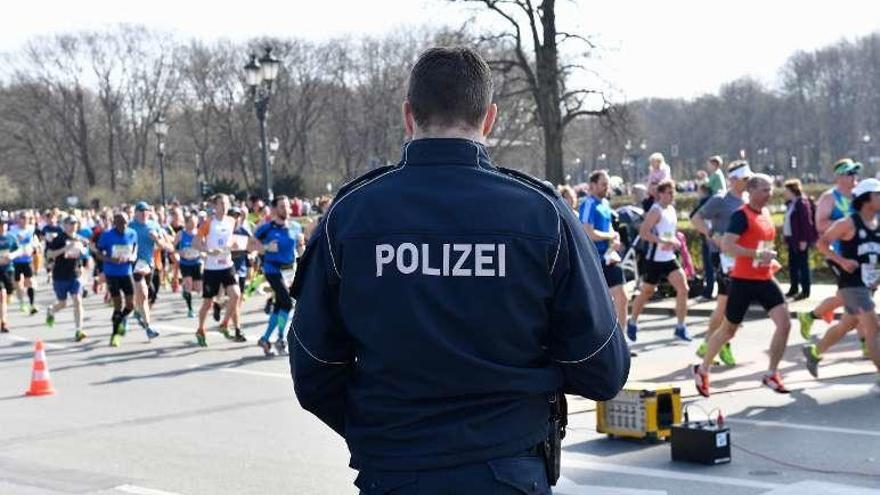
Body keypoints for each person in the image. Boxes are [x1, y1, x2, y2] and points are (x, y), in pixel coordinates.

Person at [290, 46, 629, 492]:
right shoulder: (541, 214)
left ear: (408, 116)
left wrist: (387, 431)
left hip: (395, 468)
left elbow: (315, 365)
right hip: (508, 466)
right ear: (489, 119)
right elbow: (600, 366)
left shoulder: (351, 214)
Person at [693, 174, 791, 397]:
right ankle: (703, 369)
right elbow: (727, 246)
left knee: (784, 324)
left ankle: (771, 373)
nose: (770, 193)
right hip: (743, 281)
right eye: (765, 190)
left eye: (771, 189)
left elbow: (762, 244)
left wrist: (769, 259)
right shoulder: (741, 215)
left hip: (765, 278)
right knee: (728, 330)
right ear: (752, 191)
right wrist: (756, 254)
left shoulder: (765, 214)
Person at [803, 178, 880, 393]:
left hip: (868, 284)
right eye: (878, 194)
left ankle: (814, 352)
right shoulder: (848, 223)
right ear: (866, 199)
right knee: (873, 328)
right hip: (851, 283)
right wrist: (842, 261)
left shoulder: (877, 222)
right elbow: (821, 244)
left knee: (847, 324)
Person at [797, 159, 865, 353]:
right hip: (839, 254)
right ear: (839, 176)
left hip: (860, 254)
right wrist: (847, 224)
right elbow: (820, 225)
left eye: (855, 173)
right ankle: (867, 343)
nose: (854, 177)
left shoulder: (860, 194)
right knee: (857, 297)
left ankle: (810, 316)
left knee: (850, 297)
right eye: (850, 173)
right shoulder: (830, 197)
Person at [690, 160, 751, 365]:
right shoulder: (720, 199)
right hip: (723, 257)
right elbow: (696, 219)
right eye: (744, 179)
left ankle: (711, 343)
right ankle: (717, 343)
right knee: (726, 302)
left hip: (742, 256)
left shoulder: (748, 200)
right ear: (733, 180)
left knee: (731, 303)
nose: (747, 182)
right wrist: (712, 234)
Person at [627, 179, 691, 342]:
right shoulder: (655, 210)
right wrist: (663, 241)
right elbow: (643, 233)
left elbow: (669, 231)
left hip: (669, 258)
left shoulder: (671, 209)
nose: (672, 195)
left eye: (674, 192)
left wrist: (675, 241)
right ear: (661, 194)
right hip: (655, 259)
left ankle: (680, 327)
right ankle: (632, 321)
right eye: (669, 192)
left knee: (683, 288)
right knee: (647, 292)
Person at [253, 196, 304, 356]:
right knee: (288, 303)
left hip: (289, 271)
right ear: (274, 209)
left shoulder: (296, 227)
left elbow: (300, 248)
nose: (285, 209)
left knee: (281, 305)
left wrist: (304, 262)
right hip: (272, 270)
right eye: (281, 206)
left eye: (287, 206)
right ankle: (280, 339)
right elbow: (251, 244)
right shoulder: (266, 228)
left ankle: (265, 339)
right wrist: (267, 247)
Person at [193, 193, 244, 346]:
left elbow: (230, 239)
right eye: (221, 203)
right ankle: (200, 329)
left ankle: (224, 324)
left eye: (227, 203)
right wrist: (208, 251)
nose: (224, 206)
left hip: (227, 265)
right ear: (215, 206)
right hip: (212, 268)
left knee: (236, 295)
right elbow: (195, 243)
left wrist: (234, 245)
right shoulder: (208, 223)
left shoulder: (231, 221)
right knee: (208, 303)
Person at [582, 170, 627, 328]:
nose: (606, 188)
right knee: (597, 303)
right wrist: (609, 236)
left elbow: (610, 230)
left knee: (622, 297)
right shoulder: (588, 204)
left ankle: (622, 342)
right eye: (603, 184)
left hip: (609, 258)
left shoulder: (605, 204)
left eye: (607, 185)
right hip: (593, 260)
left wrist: (616, 239)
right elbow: (588, 232)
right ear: (592, 186)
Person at [96, 212, 138, 347]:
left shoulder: (132, 233)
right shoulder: (107, 235)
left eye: (126, 222)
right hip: (112, 273)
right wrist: (110, 259)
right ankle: (115, 335)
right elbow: (98, 253)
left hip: (127, 272)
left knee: (131, 305)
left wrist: (133, 256)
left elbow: (135, 247)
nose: (123, 226)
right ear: (115, 223)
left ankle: (119, 319)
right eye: (120, 223)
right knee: (118, 305)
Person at [44, 216, 88, 342]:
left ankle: (79, 330)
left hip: (75, 275)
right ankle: (51, 311)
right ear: (64, 225)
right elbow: (49, 254)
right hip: (60, 275)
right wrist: (65, 249)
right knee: (62, 303)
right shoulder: (59, 238)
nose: (73, 225)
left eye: (75, 223)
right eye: (70, 223)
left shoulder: (80, 239)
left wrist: (83, 256)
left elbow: (84, 254)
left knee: (77, 300)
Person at [128, 202, 166, 340]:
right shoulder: (130, 227)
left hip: (149, 264)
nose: (144, 213)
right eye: (141, 211)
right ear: (136, 213)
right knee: (143, 293)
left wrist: (155, 238)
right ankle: (148, 327)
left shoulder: (154, 225)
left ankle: (137, 312)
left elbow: (162, 245)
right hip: (135, 263)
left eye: (147, 211)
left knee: (146, 294)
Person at [782, 179, 817, 300]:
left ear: (793, 190)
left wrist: (804, 240)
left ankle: (805, 291)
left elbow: (806, 223)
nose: (784, 193)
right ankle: (794, 288)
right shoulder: (791, 203)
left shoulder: (802, 203)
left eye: (786, 190)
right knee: (793, 265)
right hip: (792, 239)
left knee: (802, 266)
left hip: (800, 240)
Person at [10, 212, 39, 315]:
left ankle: (32, 305)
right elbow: (10, 243)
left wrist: (35, 248)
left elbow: (35, 242)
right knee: (18, 285)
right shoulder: (13, 230)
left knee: (29, 282)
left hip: (27, 260)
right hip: (16, 261)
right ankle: (22, 303)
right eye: (22, 218)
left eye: (27, 218)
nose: (24, 220)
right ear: (19, 219)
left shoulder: (31, 229)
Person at [175, 214, 203, 318]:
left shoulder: (199, 233)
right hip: (185, 263)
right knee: (188, 284)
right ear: (186, 223)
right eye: (191, 222)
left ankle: (186, 291)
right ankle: (190, 309)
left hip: (196, 262)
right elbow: (174, 247)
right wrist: (179, 252)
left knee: (198, 288)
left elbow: (204, 246)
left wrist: (202, 252)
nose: (194, 224)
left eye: (195, 222)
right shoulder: (181, 234)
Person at [0, 221, 19, 333]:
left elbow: (19, 250)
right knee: (2, 294)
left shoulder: (11, 237)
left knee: (9, 293)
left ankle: (3, 312)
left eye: (4, 224)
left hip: (9, 270)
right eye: (0, 224)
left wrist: (12, 255)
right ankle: (4, 322)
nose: (2, 227)